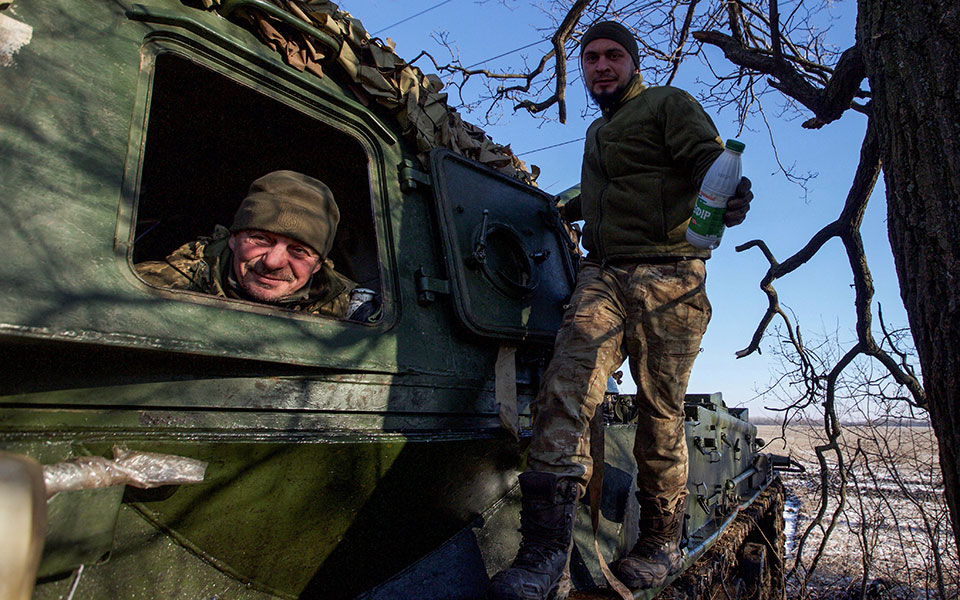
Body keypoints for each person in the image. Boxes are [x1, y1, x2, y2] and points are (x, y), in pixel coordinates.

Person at [489, 21, 753, 600]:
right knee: (565, 387)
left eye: (613, 55)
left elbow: (706, 161)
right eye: (590, 58)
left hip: (670, 274)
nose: (601, 66)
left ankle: (660, 542)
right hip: (603, 273)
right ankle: (544, 555)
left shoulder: (667, 104)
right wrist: (560, 206)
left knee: (660, 410)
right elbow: (608, 192)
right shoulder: (596, 131)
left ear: (633, 63)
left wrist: (729, 190)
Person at [137, 170, 366, 319]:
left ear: (317, 264)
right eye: (261, 239)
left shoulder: (353, 310)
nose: (273, 262)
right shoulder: (149, 289)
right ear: (233, 238)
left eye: (298, 250)